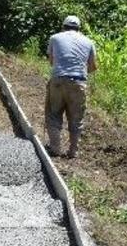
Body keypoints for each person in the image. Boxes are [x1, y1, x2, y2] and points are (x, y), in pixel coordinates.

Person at [45, 15, 97, 159]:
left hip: (58, 81)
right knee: (76, 118)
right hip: (79, 82)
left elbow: (51, 61)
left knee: (53, 114)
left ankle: (55, 148)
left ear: (63, 26)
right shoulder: (89, 42)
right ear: (79, 28)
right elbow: (93, 66)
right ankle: (73, 151)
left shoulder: (55, 38)